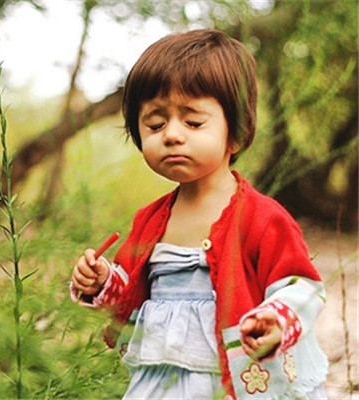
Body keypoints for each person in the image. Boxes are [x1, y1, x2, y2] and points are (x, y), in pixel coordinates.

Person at [70, 29, 328, 399]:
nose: (172, 135)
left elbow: (301, 287)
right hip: (161, 373)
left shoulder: (261, 217)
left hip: (231, 377)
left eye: (193, 122)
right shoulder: (149, 219)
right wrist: (100, 282)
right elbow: (130, 294)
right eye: (155, 124)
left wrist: (275, 318)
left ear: (235, 133)